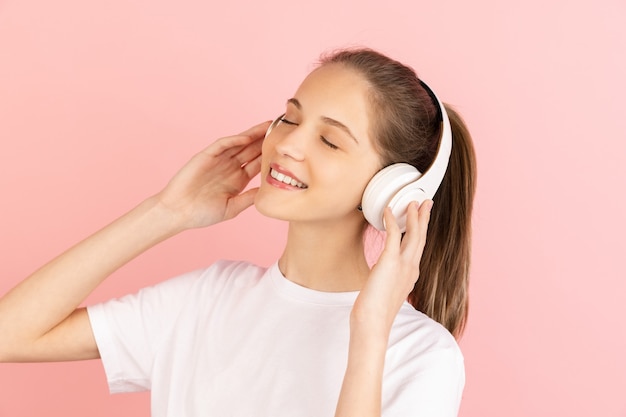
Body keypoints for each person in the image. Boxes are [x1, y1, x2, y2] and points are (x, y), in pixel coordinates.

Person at [0, 48, 477, 416]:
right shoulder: (208, 298)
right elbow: (10, 336)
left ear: (389, 188)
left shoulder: (420, 354)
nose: (287, 143)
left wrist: (370, 331)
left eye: (330, 140)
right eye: (289, 118)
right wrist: (167, 211)